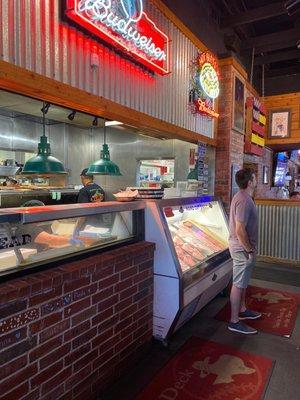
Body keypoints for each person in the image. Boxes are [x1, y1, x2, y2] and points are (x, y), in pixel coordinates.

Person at [228, 168, 261, 335]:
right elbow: (240, 230)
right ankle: (234, 321)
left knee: (243, 282)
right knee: (238, 284)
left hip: (244, 248)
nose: (256, 180)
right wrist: (248, 250)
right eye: (255, 178)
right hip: (242, 249)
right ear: (250, 182)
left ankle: (242, 309)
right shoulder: (244, 200)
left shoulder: (244, 197)